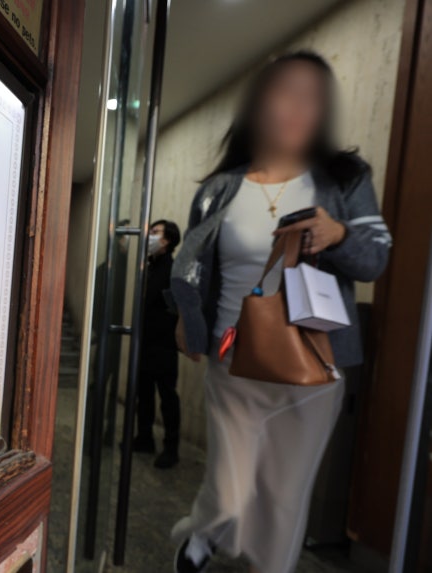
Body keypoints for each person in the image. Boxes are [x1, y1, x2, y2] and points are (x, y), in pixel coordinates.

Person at [169, 51, 391, 573]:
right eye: (283, 92)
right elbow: (195, 263)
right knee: (228, 488)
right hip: (232, 360)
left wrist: (338, 234)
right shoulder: (219, 188)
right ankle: (205, 531)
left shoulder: (343, 178)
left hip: (314, 367)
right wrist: (187, 319)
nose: (296, 106)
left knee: (283, 498)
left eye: (311, 96)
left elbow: (376, 257)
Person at [133, 219, 182, 469]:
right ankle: (144, 438)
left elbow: (176, 308)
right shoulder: (150, 267)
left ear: (167, 240)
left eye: (154, 233)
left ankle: (171, 448)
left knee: (167, 397)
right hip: (146, 342)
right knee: (144, 394)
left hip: (164, 345)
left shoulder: (173, 270)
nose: (149, 236)